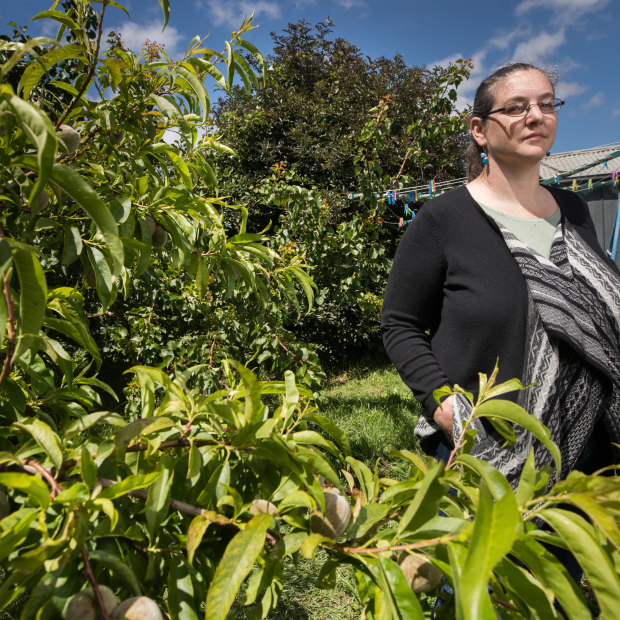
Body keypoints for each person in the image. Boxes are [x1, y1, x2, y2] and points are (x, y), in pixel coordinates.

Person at [381, 62, 620, 486]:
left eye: (547, 104)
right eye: (516, 107)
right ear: (479, 129)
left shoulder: (575, 211)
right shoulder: (444, 218)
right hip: (488, 448)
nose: (536, 116)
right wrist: (442, 405)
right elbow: (400, 324)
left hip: (594, 444)